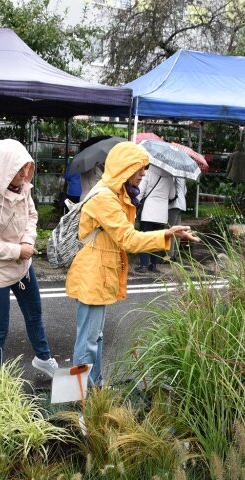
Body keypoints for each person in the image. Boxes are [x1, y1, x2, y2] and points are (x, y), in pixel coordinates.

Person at [65, 141, 200, 387]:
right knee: (87, 341)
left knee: (94, 338)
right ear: (125, 168)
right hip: (93, 274)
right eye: (139, 169)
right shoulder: (105, 198)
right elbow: (128, 239)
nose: (143, 174)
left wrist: (168, 234)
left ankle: (94, 390)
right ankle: (77, 398)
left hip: (99, 274)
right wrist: (168, 234)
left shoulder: (116, 193)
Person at [0, 139, 59, 377]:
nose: (25, 173)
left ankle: (44, 358)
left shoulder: (24, 187)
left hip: (23, 267)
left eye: (27, 167)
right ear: (3, 168)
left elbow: (31, 215)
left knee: (34, 314)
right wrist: (18, 251)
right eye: (19, 169)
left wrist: (28, 242)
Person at [136, 165, 176, 273]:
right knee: (157, 239)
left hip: (149, 212)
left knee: (144, 238)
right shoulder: (169, 177)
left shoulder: (148, 173)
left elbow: (140, 191)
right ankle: (153, 265)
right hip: (162, 214)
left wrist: (135, 205)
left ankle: (144, 265)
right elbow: (172, 195)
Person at [167, 176, 187, 261]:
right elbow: (185, 190)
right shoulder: (183, 175)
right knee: (177, 231)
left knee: (171, 230)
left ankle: (168, 256)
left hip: (174, 204)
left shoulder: (173, 175)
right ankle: (175, 254)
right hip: (181, 204)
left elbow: (171, 190)